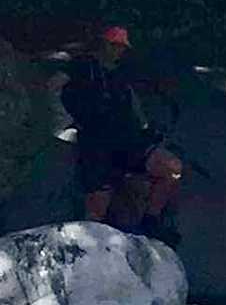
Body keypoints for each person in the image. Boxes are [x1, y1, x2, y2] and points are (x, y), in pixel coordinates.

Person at [60, 26, 184, 238]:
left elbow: (134, 113)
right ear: (104, 44)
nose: (118, 52)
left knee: (172, 168)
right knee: (95, 214)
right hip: (96, 148)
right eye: (115, 46)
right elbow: (57, 91)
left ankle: (150, 223)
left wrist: (146, 131)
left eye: (121, 48)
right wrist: (67, 126)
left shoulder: (120, 77)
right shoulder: (81, 68)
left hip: (127, 144)